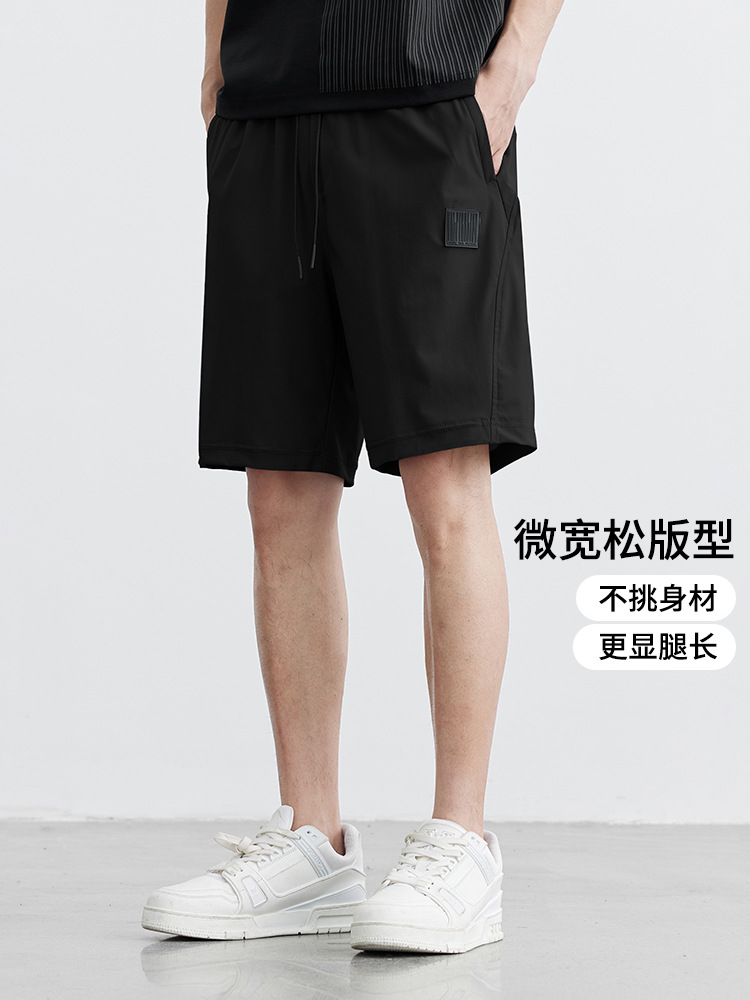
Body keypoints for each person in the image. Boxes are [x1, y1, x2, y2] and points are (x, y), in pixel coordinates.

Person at [142, 0, 564, 954]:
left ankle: (460, 840)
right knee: (280, 491)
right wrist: (217, 67)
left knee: (445, 479)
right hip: (267, 105)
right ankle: (312, 841)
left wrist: (512, 70)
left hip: (428, 98)